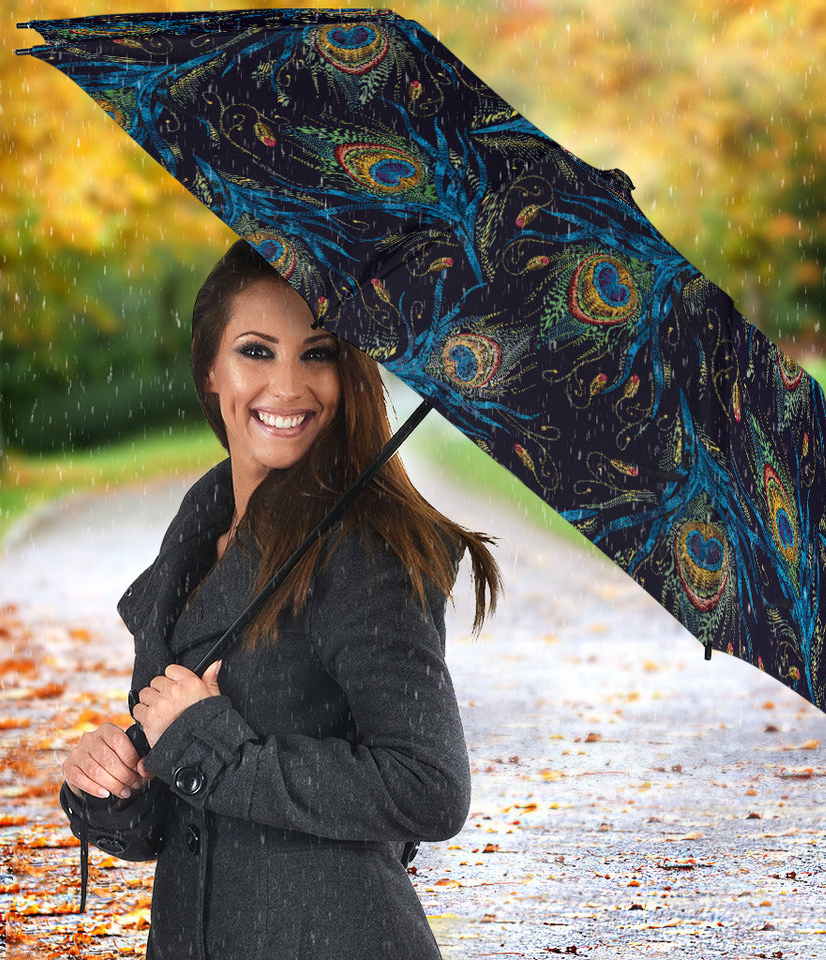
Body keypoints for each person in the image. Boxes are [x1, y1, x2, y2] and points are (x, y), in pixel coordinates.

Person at [60, 240, 500, 959]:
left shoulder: (364, 553)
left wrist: (212, 747)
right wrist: (120, 784)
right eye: (257, 352)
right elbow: (188, 810)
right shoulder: (195, 544)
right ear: (210, 369)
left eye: (317, 353)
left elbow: (430, 788)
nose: (289, 386)